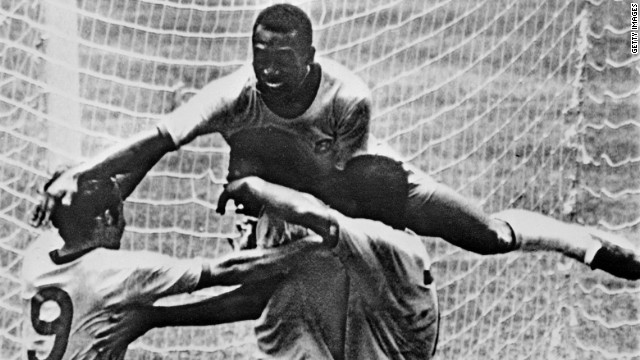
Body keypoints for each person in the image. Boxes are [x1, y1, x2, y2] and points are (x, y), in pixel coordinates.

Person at [31, 4, 638, 277]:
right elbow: (156, 139)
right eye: (258, 54)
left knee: (487, 238)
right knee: (276, 303)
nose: (267, 68)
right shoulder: (233, 94)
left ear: (311, 56)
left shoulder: (349, 97)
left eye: (282, 57)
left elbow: (339, 183)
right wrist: (84, 172)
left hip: (350, 186)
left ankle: (580, 242)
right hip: (274, 204)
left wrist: (273, 187)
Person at [96, 155, 640, 360]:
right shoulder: (385, 244)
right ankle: (591, 243)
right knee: (498, 235)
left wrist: (259, 187)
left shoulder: (386, 247)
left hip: (378, 341)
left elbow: (321, 220)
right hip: (366, 328)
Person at [99, 155, 441, 360]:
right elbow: (266, 279)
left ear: (362, 206)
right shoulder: (374, 252)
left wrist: (254, 188)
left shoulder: (385, 247)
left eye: (346, 199)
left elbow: (259, 286)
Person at [21, 171, 323, 360]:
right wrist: (312, 246)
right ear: (108, 217)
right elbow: (229, 271)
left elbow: (87, 212)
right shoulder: (124, 272)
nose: (124, 222)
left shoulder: (38, 255)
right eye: (120, 212)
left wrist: (155, 150)